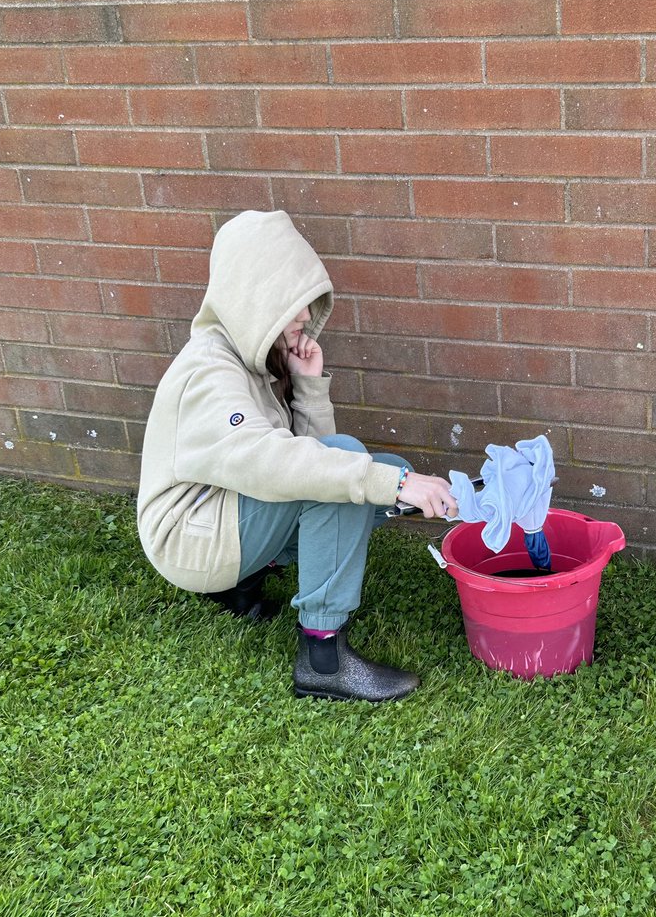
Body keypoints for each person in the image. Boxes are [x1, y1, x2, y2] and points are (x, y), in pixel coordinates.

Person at [137, 209, 457, 703]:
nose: (306, 316)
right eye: (291, 302)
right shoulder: (209, 373)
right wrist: (392, 486)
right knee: (363, 474)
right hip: (190, 539)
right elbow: (278, 465)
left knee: (379, 469)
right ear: (253, 297)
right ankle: (322, 657)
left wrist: (307, 389)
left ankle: (242, 584)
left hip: (225, 514)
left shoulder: (250, 358)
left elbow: (311, 455)